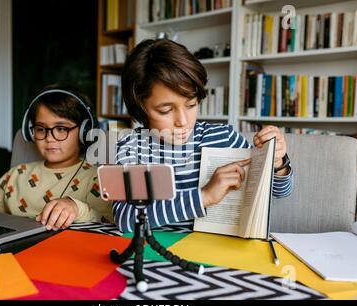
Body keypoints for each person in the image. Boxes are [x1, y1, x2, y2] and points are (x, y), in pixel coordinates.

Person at [113, 39, 294, 232]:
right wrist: (204, 197)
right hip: (155, 250)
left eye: (191, 105)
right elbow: (125, 218)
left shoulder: (223, 138)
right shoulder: (131, 147)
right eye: (166, 110)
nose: (182, 120)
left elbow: (280, 192)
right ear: (141, 107)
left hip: (216, 251)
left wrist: (277, 162)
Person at [0, 86, 113, 231]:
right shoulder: (14, 175)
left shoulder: (97, 179)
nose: (49, 138)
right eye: (41, 129)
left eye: (61, 129)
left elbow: (109, 222)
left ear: (85, 132)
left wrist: (77, 208)